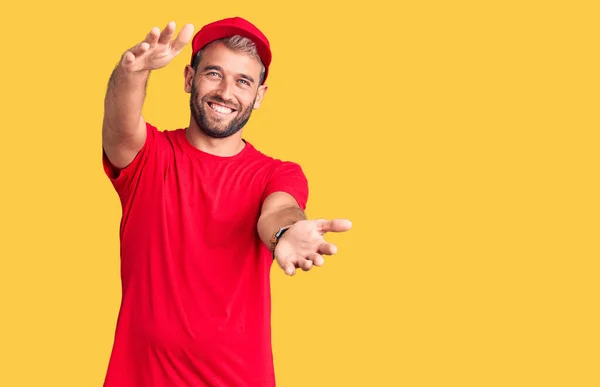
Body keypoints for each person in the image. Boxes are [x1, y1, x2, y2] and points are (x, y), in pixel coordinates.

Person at [101, 16, 352, 387]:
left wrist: (285, 232)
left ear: (259, 96)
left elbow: (278, 210)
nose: (226, 92)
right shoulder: (149, 157)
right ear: (189, 78)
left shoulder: (275, 174)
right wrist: (133, 74)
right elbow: (120, 126)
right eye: (214, 74)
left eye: (243, 81)